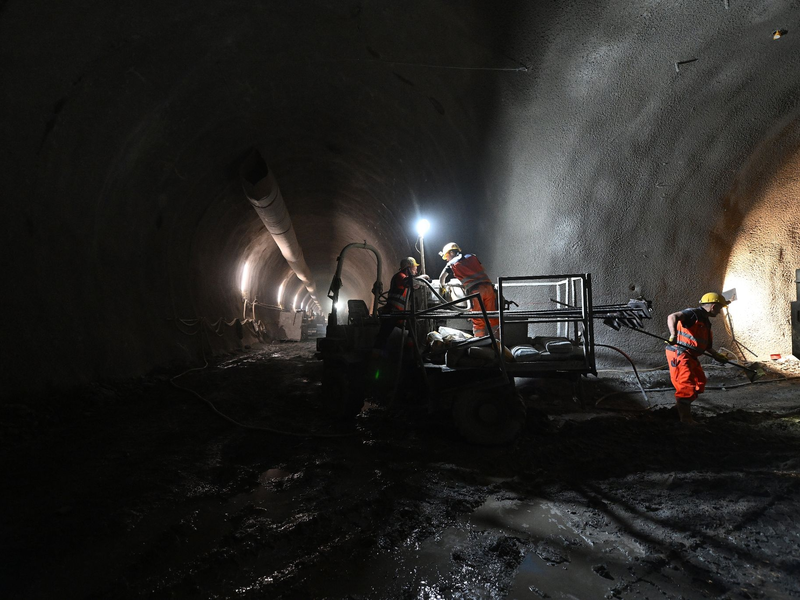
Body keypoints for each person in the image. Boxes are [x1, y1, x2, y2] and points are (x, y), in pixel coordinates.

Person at [665, 292, 730, 424]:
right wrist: (673, 335)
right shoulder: (692, 314)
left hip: (691, 355)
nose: (719, 312)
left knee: (700, 382)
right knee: (686, 386)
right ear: (713, 306)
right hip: (680, 353)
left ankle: (679, 409)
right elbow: (672, 316)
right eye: (720, 308)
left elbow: (704, 344)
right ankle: (686, 420)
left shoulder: (705, 322)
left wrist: (716, 355)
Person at [437, 242, 498, 338]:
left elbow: (441, 278)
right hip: (488, 287)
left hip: (476, 292)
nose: (447, 259)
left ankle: (479, 343)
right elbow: (480, 269)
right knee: (493, 316)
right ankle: (498, 341)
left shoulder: (451, 263)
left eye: (447, 256)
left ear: (452, 252)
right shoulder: (472, 256)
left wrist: (443, 287)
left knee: (477, 319)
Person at [373, 256, 429, 351]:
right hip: (392, 312)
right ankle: (375, 356)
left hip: (399, 313)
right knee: (383, 335)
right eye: (415, 268)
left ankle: (408, 352)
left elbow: (414, 285)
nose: (416, 271)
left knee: (413, 326)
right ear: (408, 267)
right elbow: (408, 282)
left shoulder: (406, 278)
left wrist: (422, 281)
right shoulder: (400, 276)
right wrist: (422, 277)